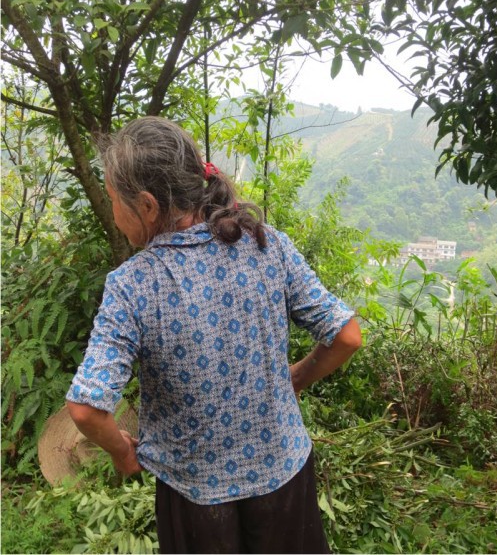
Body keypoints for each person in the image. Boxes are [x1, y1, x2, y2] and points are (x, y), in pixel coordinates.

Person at [66, 116, 362, 554]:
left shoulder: (134, 285)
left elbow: (87, 410)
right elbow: (347, 336)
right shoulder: (267, 245)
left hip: (195, 501)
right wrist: (294, 378)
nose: (113, 212)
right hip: (285, 480)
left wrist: (122, 453)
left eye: (113, 200)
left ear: (147, 206)